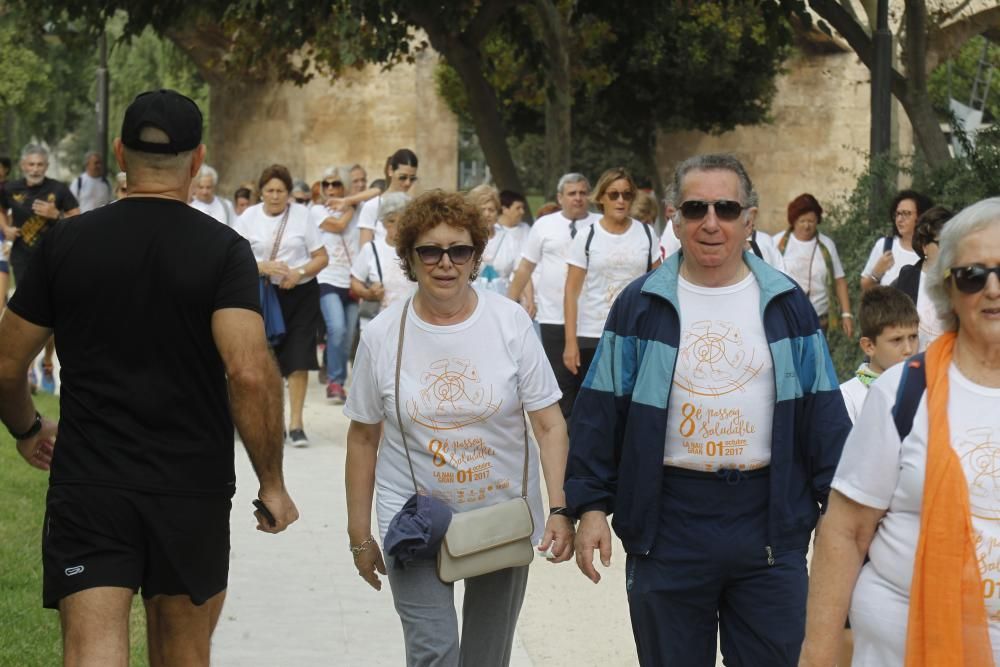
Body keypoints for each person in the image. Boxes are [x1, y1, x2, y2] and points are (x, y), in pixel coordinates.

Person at [0, 88, 298, 666]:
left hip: (91, 481)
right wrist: (273, 481)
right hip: (191, 482)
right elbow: (249, 373)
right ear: (196, 159)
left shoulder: (66, 243)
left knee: (91, 652)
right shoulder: (224, 252)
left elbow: (7, 363)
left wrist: (27, 427)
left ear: (119, 153)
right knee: (183, 653)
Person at [566, 153, 850, 666]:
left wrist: (841, 513)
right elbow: (599, 412)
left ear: (750, 218)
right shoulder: (641, 305)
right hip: (668, 520)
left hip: (768, 525)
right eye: (696, 209)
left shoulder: (787, 305)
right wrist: (589, 507)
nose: (711, 222)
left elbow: (823, 415)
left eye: (725, 208)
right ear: (674, 218)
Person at [344, 190, 574, 667]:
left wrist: (559, 508)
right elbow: (364, 437)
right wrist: (360, 534)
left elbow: (549, 425)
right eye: (430, 250)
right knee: (435, 651)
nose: (445, 263)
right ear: (409, 257)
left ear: (475, 257)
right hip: (414, 520)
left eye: (459, 250)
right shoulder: (383, 335)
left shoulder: (509, 322)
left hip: (500, 514)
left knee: (487, 658)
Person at [800, 196, 1000, 666]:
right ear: (947, 290)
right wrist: (819, 653)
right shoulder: (903, 391)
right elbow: (845, 532)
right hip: (904, 647)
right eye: (973, 275)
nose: (992, 289)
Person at [234, 164, 329, 447]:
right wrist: (261, 266)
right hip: (262, 295)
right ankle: (268, 421)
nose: (275, 196)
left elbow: (321, 257)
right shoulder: (248, 218)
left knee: (299, 358)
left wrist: (298, 273)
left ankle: (296, 423)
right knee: (265, 361)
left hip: (299, 295)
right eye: (270, 191)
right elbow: (233, 259)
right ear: (260, 192)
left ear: (288, 193)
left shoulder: (303, 216)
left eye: (281, 191)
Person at [507, 173, 601, 421]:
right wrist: (507, 307)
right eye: (572, 193)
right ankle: (565, 449)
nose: (578, 198)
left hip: (593, 321)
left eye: (583, 193)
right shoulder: (544, 225)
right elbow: (525, 267)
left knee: (591, 388)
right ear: (560, 198)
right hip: (553, 318)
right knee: (561, 386)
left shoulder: (600, 224)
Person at [563, 167, 660, 384]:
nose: (620, 200)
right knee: (597, 406)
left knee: (629, 405)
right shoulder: (587, 236)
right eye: (613, 194)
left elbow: (658, 287)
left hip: (634, 333)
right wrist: (570, 342)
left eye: (626, 194)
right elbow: (571, 292)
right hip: (593, 334)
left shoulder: (646, 234)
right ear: (601, 198)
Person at [0, 144, 80, 394]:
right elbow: (1, 210)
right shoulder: (10, 188)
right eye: (31, 164)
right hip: (23, 258)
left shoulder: (58, 190)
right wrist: (6, 229)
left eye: (40, 165)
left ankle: (47, 361)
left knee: (53, 317)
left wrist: (55, 214)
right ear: (23, 166)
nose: (35, 169)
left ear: (46, 166)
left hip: (53, 256)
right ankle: (28, 367)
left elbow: (78, 220)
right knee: (27, 314)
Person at [774, 194, 854, 336]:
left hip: (819, 321)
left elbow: (839, 280)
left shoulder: (827, 245)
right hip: (786, 318)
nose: (806, 225)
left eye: (811, 221)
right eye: (802, 221)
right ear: (793, 221)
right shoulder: (777, 243)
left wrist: (846, 314)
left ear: (818, 220)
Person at [839, 286, 919, 424]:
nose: (908, 349)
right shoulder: (848, 397)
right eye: (897, 340)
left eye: (913, 337)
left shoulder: (925, 389)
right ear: (869, 346)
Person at [311, 167, 358, 404]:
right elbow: (337, 226)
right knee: (337, 329)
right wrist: (350, 208)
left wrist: (350, 201)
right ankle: (335, 382)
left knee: (347, 337)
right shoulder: (316, 210)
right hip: (327, 278)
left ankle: (335, 374)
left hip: (353, 279)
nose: (331, 189)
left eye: (336, 184)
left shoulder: (357, 208)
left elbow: (376, 190)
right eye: (326, 184)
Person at [892, 205, 953, 351]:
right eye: (942, 244)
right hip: (912, 368)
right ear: (924, 246)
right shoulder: (905, 282)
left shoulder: (964, 281)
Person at [349, 191, 414, 319]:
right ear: (383, 222)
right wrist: (367, 293)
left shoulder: (417, 250)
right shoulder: (371, 249)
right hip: (377, 322)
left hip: (409, 322)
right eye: (391, 221)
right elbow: (355, 281)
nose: (398, 226)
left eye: (404, 221)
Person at [860, 189, 933, 291]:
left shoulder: (932, 250)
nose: (899, 219)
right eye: (897, 214)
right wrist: (876, 273)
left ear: (921, 216)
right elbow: (865, 287)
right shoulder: (885, 246)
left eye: (906, 214)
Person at [357, 149, 419, 246]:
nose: (408, 183)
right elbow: (365, 250)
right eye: (403, 177)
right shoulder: (372, 206)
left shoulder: (416, 207)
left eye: (412, 178)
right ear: (390, 171)